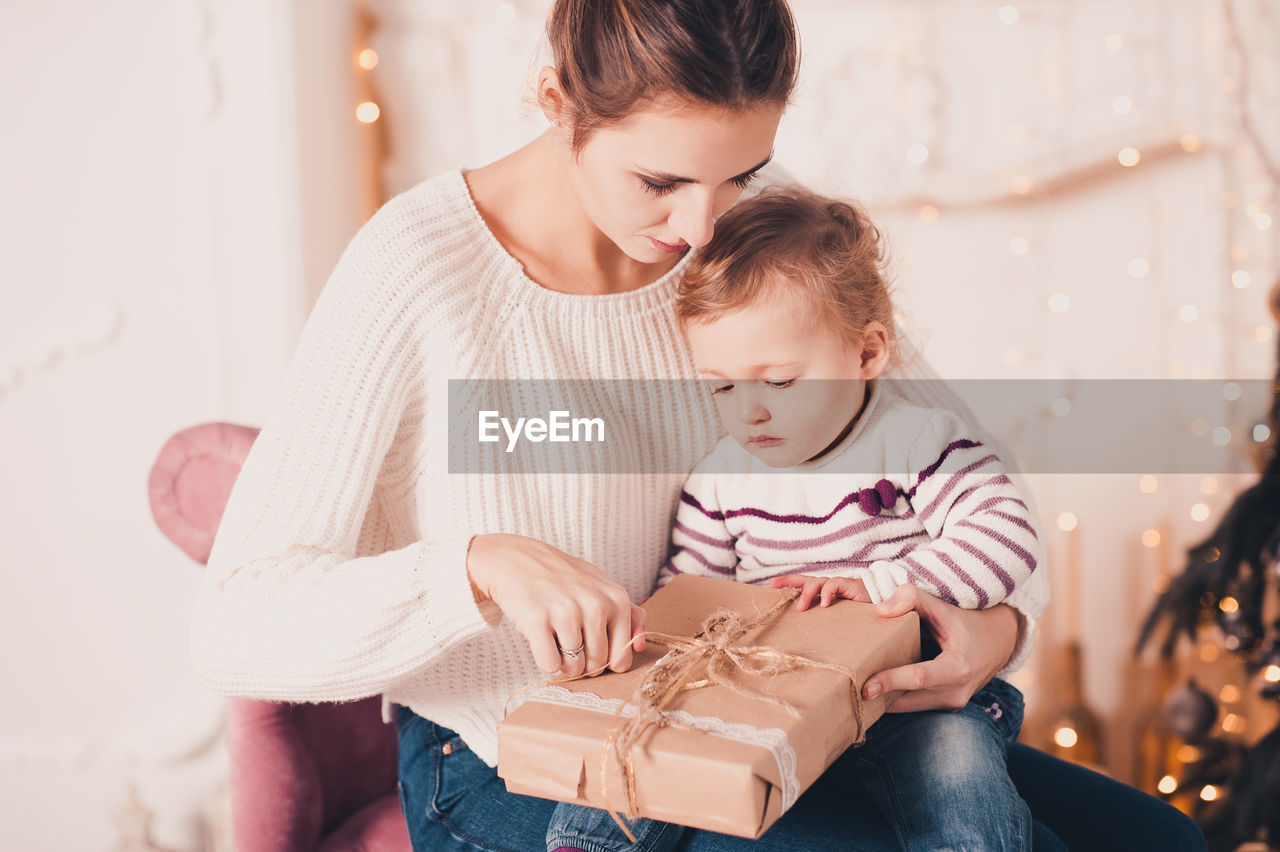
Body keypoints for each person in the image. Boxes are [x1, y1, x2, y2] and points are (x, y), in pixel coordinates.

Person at [188, 0, 1207, 850]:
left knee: (1157, 840)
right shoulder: (416, 270)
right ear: (556, 101)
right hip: (523, 758)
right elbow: (237, 621)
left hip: (786, 712)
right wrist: (473, 565)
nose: (701, 230)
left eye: (742, 174)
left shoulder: (749, 249)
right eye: (659, 181)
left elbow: (954, 473)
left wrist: (991, 628)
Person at [545, 187, 1039, 851]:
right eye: (723, 385)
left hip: (908, 700)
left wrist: (883, 584)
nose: (748, 411)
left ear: (866, 355)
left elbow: (1005, 535)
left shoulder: (919, 442)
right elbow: (689, 595)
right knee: (649, 747)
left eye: (779, 382)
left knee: (957, 773)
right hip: (770, 703)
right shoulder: (722, 478)